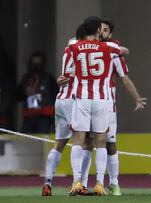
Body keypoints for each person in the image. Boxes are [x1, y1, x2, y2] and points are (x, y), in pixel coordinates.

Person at [68, 16, 146, 196]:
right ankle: (100, 183)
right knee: (102, 141)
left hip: (82, 98)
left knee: (79, 139)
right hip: (103, 100)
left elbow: (69, 69)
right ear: (97, 30)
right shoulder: (110, 48)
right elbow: (125, 51)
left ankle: (77, 181)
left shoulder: (74, 46)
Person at [41, 24, 85, 196]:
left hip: (61, 98)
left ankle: (47, 183)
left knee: (59, 144)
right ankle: (76, 182)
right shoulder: (81, 49)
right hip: (74, 99)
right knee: (79, 140)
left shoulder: (69, 47)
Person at [17, 51, 58, 134]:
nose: (36, 65)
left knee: (42, 141)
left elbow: (57, 96)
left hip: (44, 118)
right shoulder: (26, 79)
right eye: (34, 63)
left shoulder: (49, 78)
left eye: (38, 63)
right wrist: (25, 92)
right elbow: (17, 96)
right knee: (24, 139)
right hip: (28, 117)